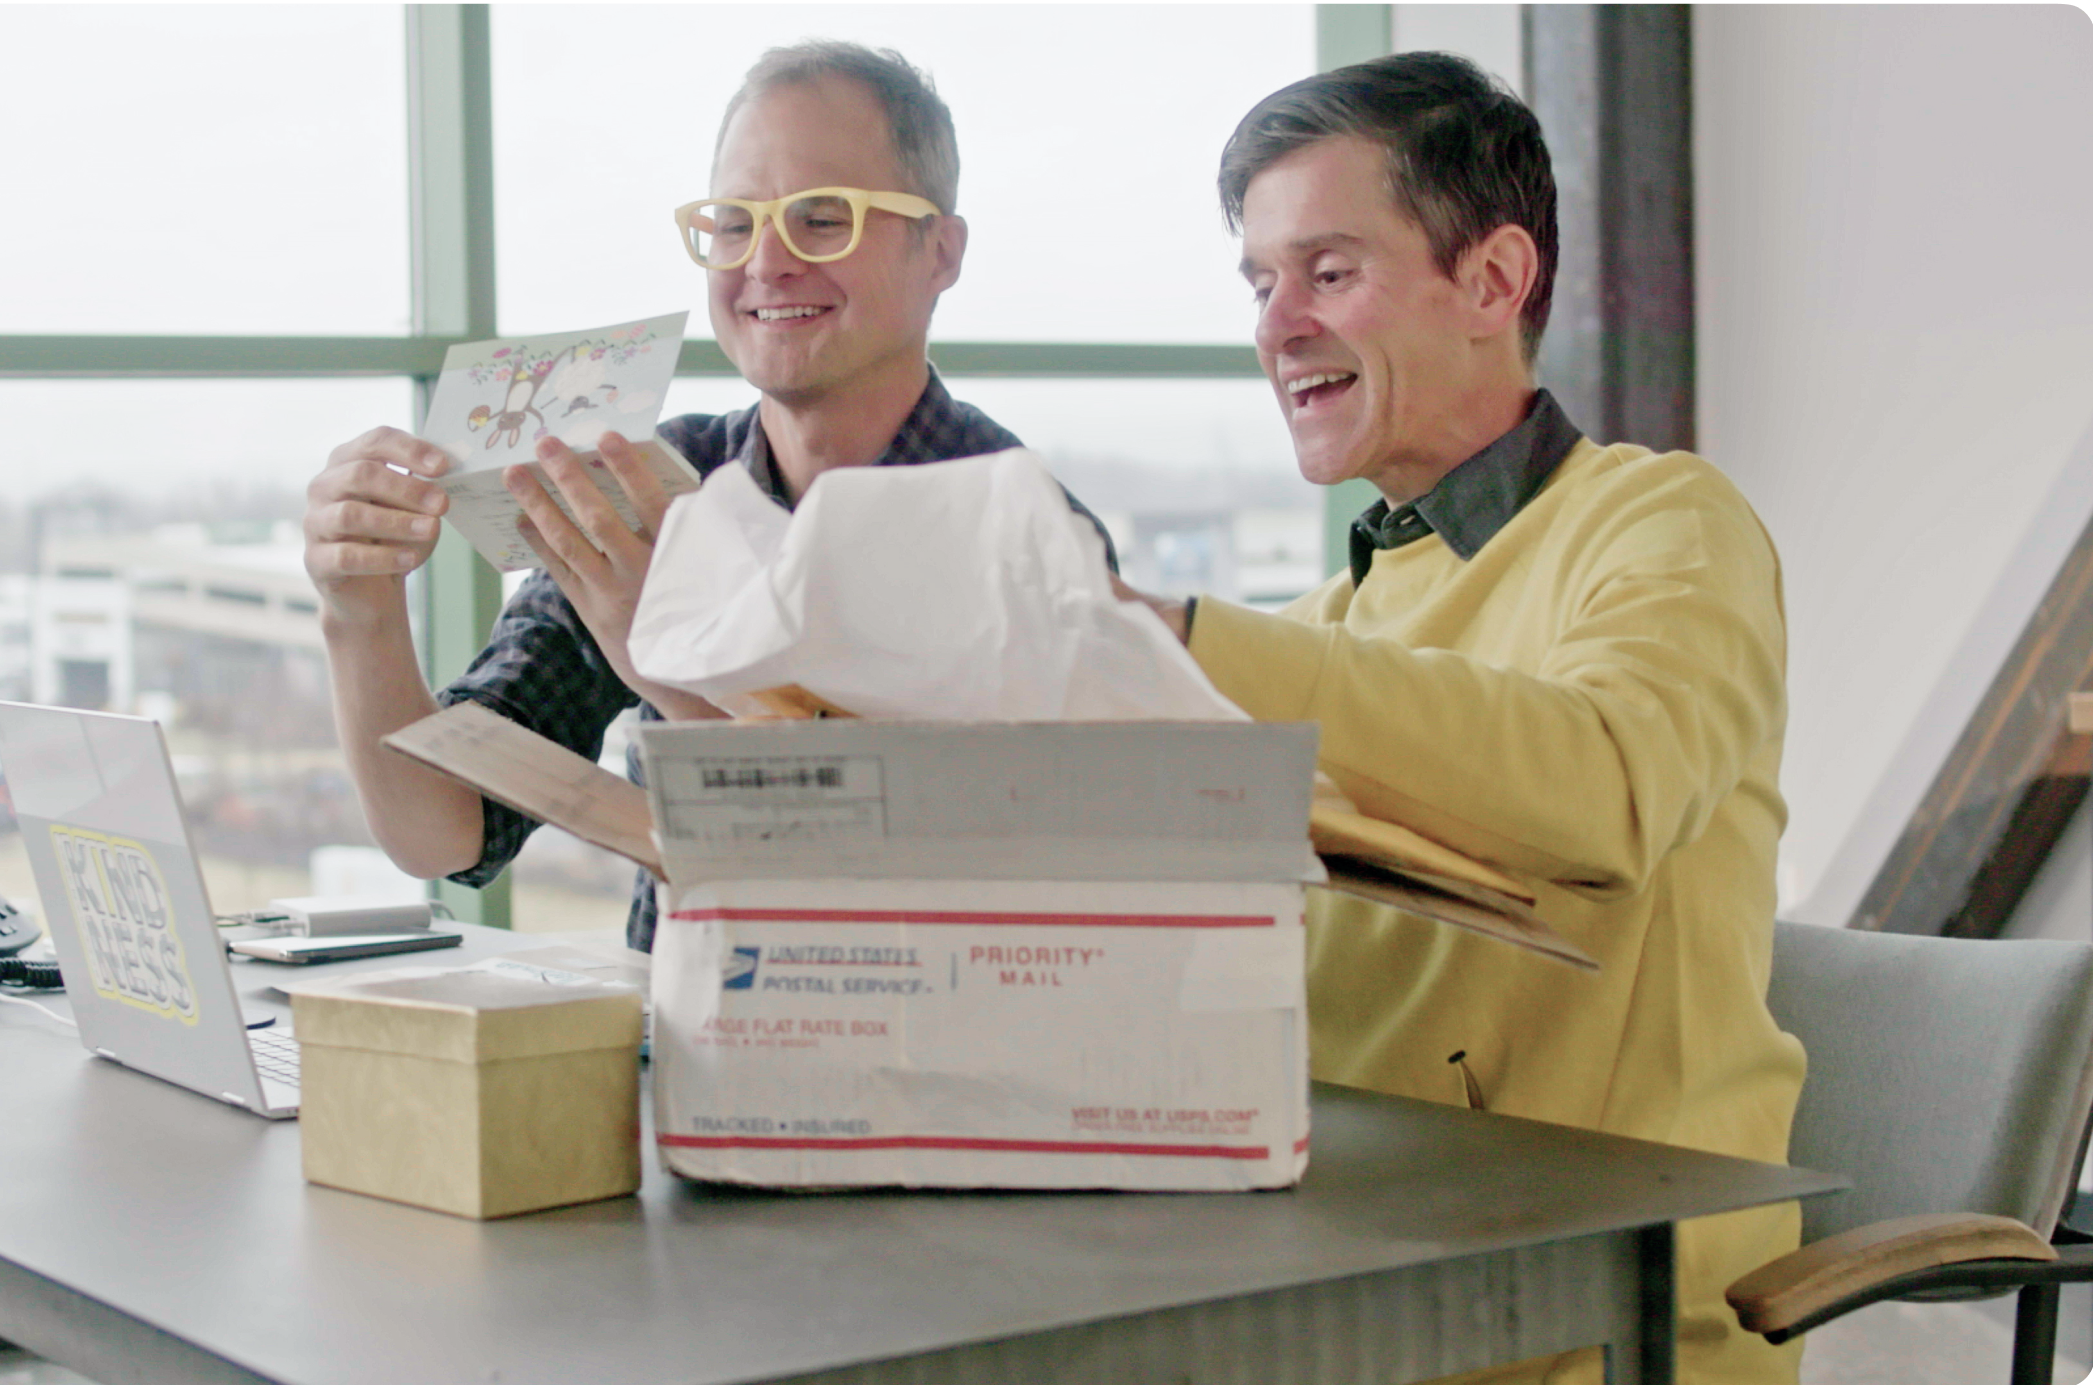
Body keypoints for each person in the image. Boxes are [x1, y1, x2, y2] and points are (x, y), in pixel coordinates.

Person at [1118, 53, 1805, 1385]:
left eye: (1327, 272)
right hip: (1347, 1287)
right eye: (1260, 284)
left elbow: (1605, 786)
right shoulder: (1328, 615)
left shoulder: (1666, 524)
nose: (1275, 327)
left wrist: (1189, 638)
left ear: (1492, 281)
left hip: (1593, 1318)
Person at [303, 41, 1110, 953]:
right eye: (734, 223)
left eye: (821, 218)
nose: (766, 262)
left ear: (942, 251)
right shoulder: (663, 482)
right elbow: (444, 828)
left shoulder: (1029, 533)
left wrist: (682, 669)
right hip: (675, 1054)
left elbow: (954, 913)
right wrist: (359, 612)